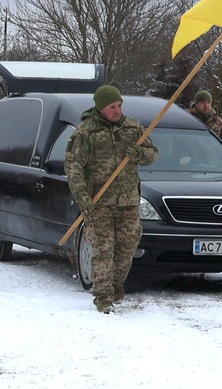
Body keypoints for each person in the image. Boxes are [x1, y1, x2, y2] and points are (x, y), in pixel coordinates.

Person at [64, 86, 158, 312]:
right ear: (100, 108)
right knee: (104, 250)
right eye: (112, 107)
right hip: (99, 202)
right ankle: (103, 297)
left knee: (127, 248)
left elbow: (153, 154)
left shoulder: (133, 128)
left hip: (128, 201)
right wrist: (83, 197)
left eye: (119, 105)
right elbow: (73, 166)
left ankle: (116, 284)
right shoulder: (85, 133)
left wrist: (140, 154)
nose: (117, 111)